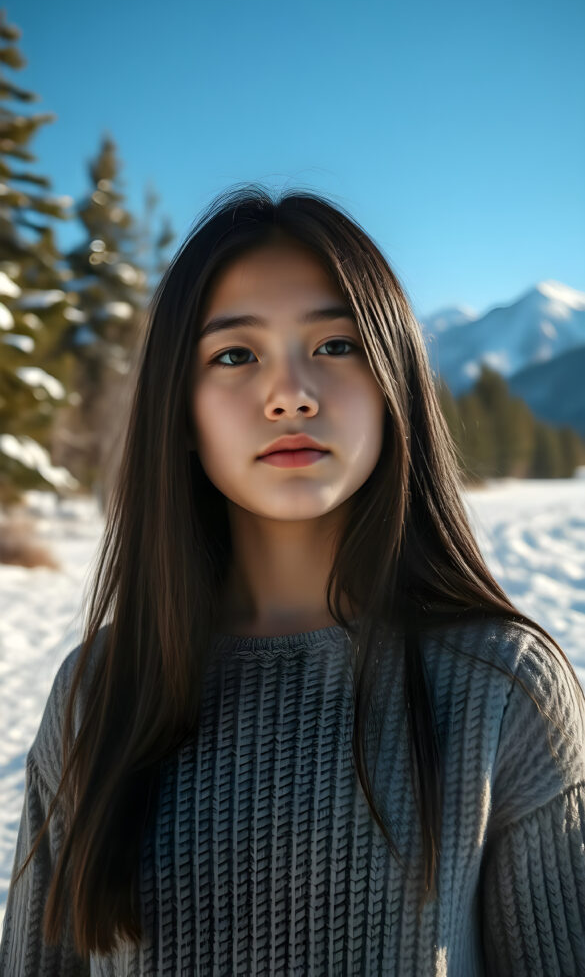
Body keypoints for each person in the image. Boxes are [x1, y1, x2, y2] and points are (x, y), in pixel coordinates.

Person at [1, 185, 584, 977]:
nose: (290, 395)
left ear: (394, 384)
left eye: (335, 345)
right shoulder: (98, 693)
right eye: (234, 356)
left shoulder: (502, 688)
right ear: (181, 411)